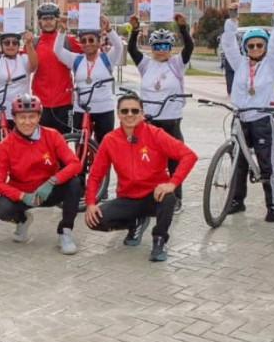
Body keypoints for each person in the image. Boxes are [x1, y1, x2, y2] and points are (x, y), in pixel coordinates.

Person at [84, 94, 198, 261]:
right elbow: (95, 175)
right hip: (128, 198)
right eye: (125, 111)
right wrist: (91, 203)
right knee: (93, 220)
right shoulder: (110, 140)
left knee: (169, 198)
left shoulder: (156, 134)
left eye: (134, 111)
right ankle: (135, 222)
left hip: (154, 197)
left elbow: (189, 156)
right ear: (118, 114)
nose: (130, 114)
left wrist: (172, 184)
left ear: (142, 113)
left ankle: (159, 240)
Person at [220, 1, 274, 223]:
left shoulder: (270, 64)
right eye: (251, 46)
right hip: (240, 118)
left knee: (265, 161)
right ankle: (237, 201)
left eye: (260, 45)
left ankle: (272, 204)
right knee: (239, 161)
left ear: (265, 47)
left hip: (261, 118)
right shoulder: (239, 63)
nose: (255, 49)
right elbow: (228, 44)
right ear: (246, 48)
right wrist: (232, 17)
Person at [0, 94, 84, 255]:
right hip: (24, 194)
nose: (27, 122)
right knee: (2, 209)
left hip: (49, 191)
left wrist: (52, 181)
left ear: (39, 116)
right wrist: (21, 195)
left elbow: (75, 164)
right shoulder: (6, 145)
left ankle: (65, 231)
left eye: (32, 117)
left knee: (75, 183)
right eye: (22, 117)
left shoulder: (53, 135)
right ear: (14, 118)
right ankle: (23, 220)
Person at [126, 13, 194, 212]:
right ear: (152, 47)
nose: (161, 50)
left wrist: (182, 28)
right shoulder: (146, 64)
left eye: (165, 46)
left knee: (175, 161)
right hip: (149, 121)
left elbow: (189, 48)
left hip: (171, 121)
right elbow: (131, 49)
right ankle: (146, 194)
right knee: (146, 159)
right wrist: (135, 29)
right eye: (157, 46)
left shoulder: (177, 64)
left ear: (170, 48)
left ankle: (176, 198)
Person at [53, 15, 123, 144]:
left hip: (104, 109)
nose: (87, 44)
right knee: (80, 147)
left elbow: (119, 47)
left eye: (91, 40)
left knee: (104, 147)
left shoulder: (107, 59)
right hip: (81, 109)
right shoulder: (76, 59)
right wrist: (62, 31)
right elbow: (57, 51)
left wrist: (109, 29)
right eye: (83, 41)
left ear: (99, 41)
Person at [0, 21, 37, 134]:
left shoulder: (24, 59)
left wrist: (29, 44)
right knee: (0, 146)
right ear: (1, 45)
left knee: (21, 147)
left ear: (19, 45)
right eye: (6, 43)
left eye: (14, 43)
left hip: (21, 112)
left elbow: (34, 65)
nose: (10, 45)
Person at [31, 3, 82, 133]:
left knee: (63, 142)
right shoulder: (34, 43)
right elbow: (16, 58)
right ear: (40, 22)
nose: (48, 22)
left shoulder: (68, 40)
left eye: (51, 18)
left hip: (64, 102)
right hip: (41, 102)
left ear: (57, 20)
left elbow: (89, 52)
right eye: (44, 19)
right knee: (42, 144)